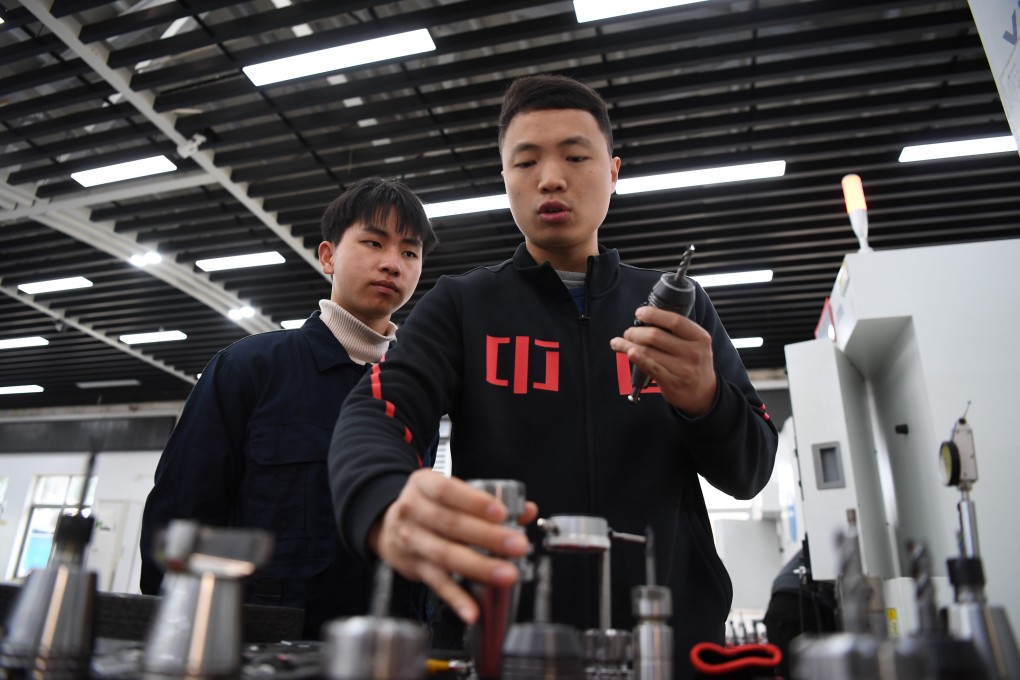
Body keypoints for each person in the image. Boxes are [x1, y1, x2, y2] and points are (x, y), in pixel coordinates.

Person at [327, 74, 778, 678]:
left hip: (671, 649)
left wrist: (706, 399)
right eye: (526, 161)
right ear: (505, 178)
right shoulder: (462, 307)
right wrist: (382, 497)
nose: (551, 178)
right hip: (505, 648)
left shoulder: (677, 310)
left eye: (575, 156)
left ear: (613, 171)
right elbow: (379, 408)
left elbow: (750, 472)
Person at [139, 176, 438, 639]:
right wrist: (176, 640)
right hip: (261, 647)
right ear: (328, 256)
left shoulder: (416, 391)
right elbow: (181, 516)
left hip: (385, 649)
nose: (392, 264)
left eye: (409, 252)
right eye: (373, 242)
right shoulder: (248, 369)